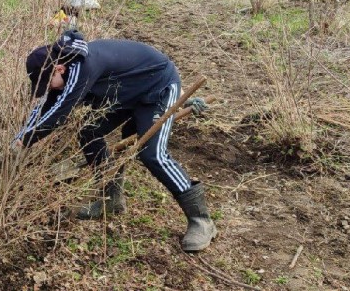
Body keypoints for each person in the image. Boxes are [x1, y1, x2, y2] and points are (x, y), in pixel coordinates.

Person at [14, 30, 217, 252]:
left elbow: (60, 113)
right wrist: (18, 139)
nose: (49, 88)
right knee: (88, 130)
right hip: (124, 94)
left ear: (59, 68)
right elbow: (46, 107)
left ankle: (201, 220)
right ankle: (111, 199)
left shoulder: (82, 67)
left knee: (152, 154)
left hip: (157, 88)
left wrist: (24, 142)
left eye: (48, 82)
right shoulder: (66, 68)